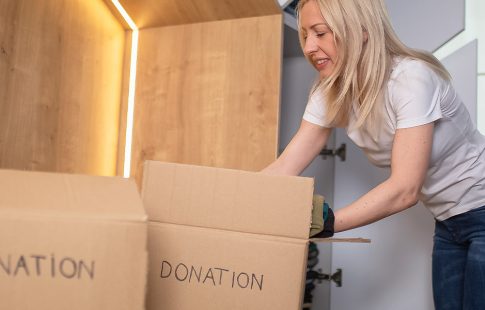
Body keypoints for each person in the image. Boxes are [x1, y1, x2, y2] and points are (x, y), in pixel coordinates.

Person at [262, 0, 485, 309]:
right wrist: (240, 202)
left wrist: (326, 222)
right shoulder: (328, 90)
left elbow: (404, 190)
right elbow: (285, 165)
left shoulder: (410, 79)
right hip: (447, 221)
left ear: (361, 30)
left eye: (320, 33)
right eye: (304, 35)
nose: (310, 47)